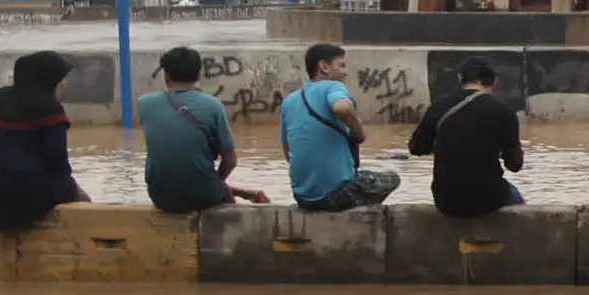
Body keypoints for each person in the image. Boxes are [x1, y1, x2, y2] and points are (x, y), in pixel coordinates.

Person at [0, 49, 90, 231]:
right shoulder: (51, 110)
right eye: (59, 79)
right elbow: (57, 158)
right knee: (83, 200)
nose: (63, 84)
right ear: (47, 80)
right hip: (25, 199)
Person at [142, 44, 268, 214]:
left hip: (160, 197)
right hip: (203, 196)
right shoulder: (213, 106)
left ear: (166, 75)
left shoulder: (145, 104)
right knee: (224, 199)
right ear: (198, 75)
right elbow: (230, 161)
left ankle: (236, 190)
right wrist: (219, 180)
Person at [280, 42, 400, 213]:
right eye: (341, 65)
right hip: (337, 195)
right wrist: (359, 132)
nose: (345, 72)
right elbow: (341, 108)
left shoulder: (289, 100)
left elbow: (287, 153)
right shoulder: (334, 86)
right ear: (324, 67)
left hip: (301, 197)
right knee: (393, 179)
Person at [407, 55, 526, 217]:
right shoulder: (504, 112)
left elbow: (416, 148)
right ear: (494, 81)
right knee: (517, 199)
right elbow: (515, 165)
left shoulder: (439, 106)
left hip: (446, 200)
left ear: (459, 78)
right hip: (488, 199)